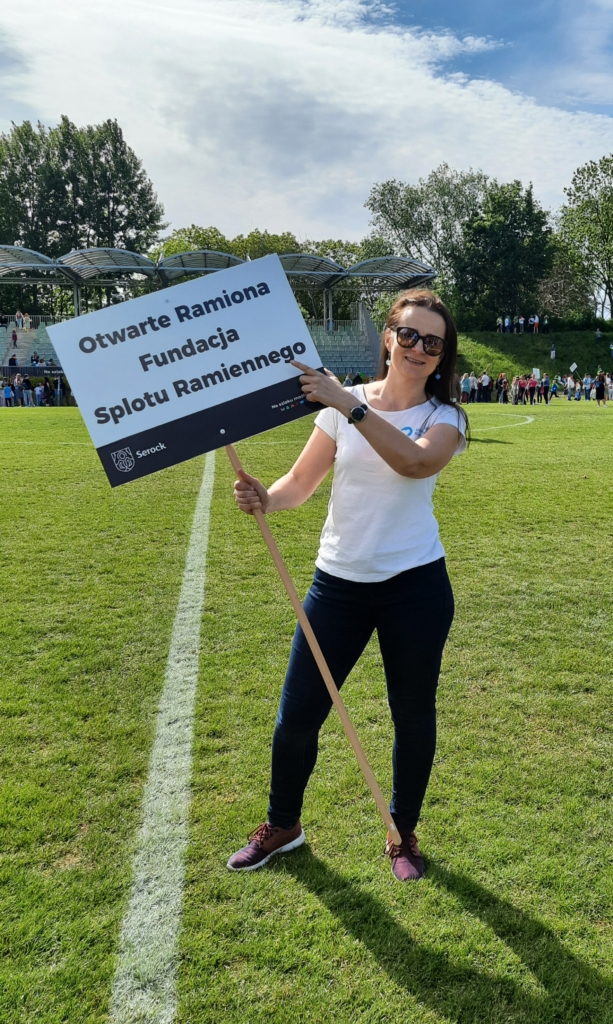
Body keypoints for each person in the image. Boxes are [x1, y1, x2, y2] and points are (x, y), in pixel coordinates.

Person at [227, 289, 467, 882]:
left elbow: (414, 462)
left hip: (415, 587)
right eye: (408, 335)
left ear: (442, 356)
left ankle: (402, 833)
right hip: (337, 584)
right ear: (388, 337)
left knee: (412, 715)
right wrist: (267, 498)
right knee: (296, 716)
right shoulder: (343, 403)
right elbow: (300, 481)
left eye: (432, 342)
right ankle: (283, 825)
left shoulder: (446, 418)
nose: (417, 348)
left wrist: (347, 403)